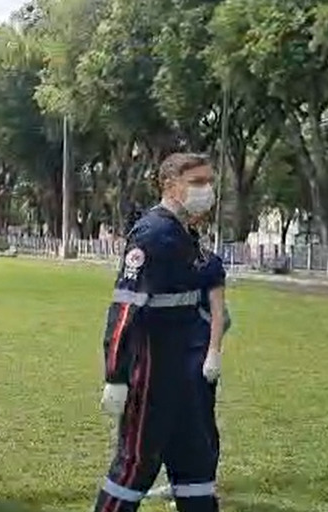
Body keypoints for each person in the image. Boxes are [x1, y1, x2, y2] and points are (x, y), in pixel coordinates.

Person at [94, 152, 220, 512]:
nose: (206, 190)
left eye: (209, 182)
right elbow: (125, 308)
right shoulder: (152, 234)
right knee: (137, 462)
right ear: (169, 185)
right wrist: (116, 375)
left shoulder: (186, 233)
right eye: (197, 182)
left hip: (190, 369)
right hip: (155, 369)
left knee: (195, 459)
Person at [143, 223, 231, 502]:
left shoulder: (208, 263)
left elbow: (219, 314)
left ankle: (205, 482)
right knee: (173, 422)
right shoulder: (169, 264)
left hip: (199, 355)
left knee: (201, 422)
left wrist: (213, 352)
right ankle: (178, 481)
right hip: (172, 354)